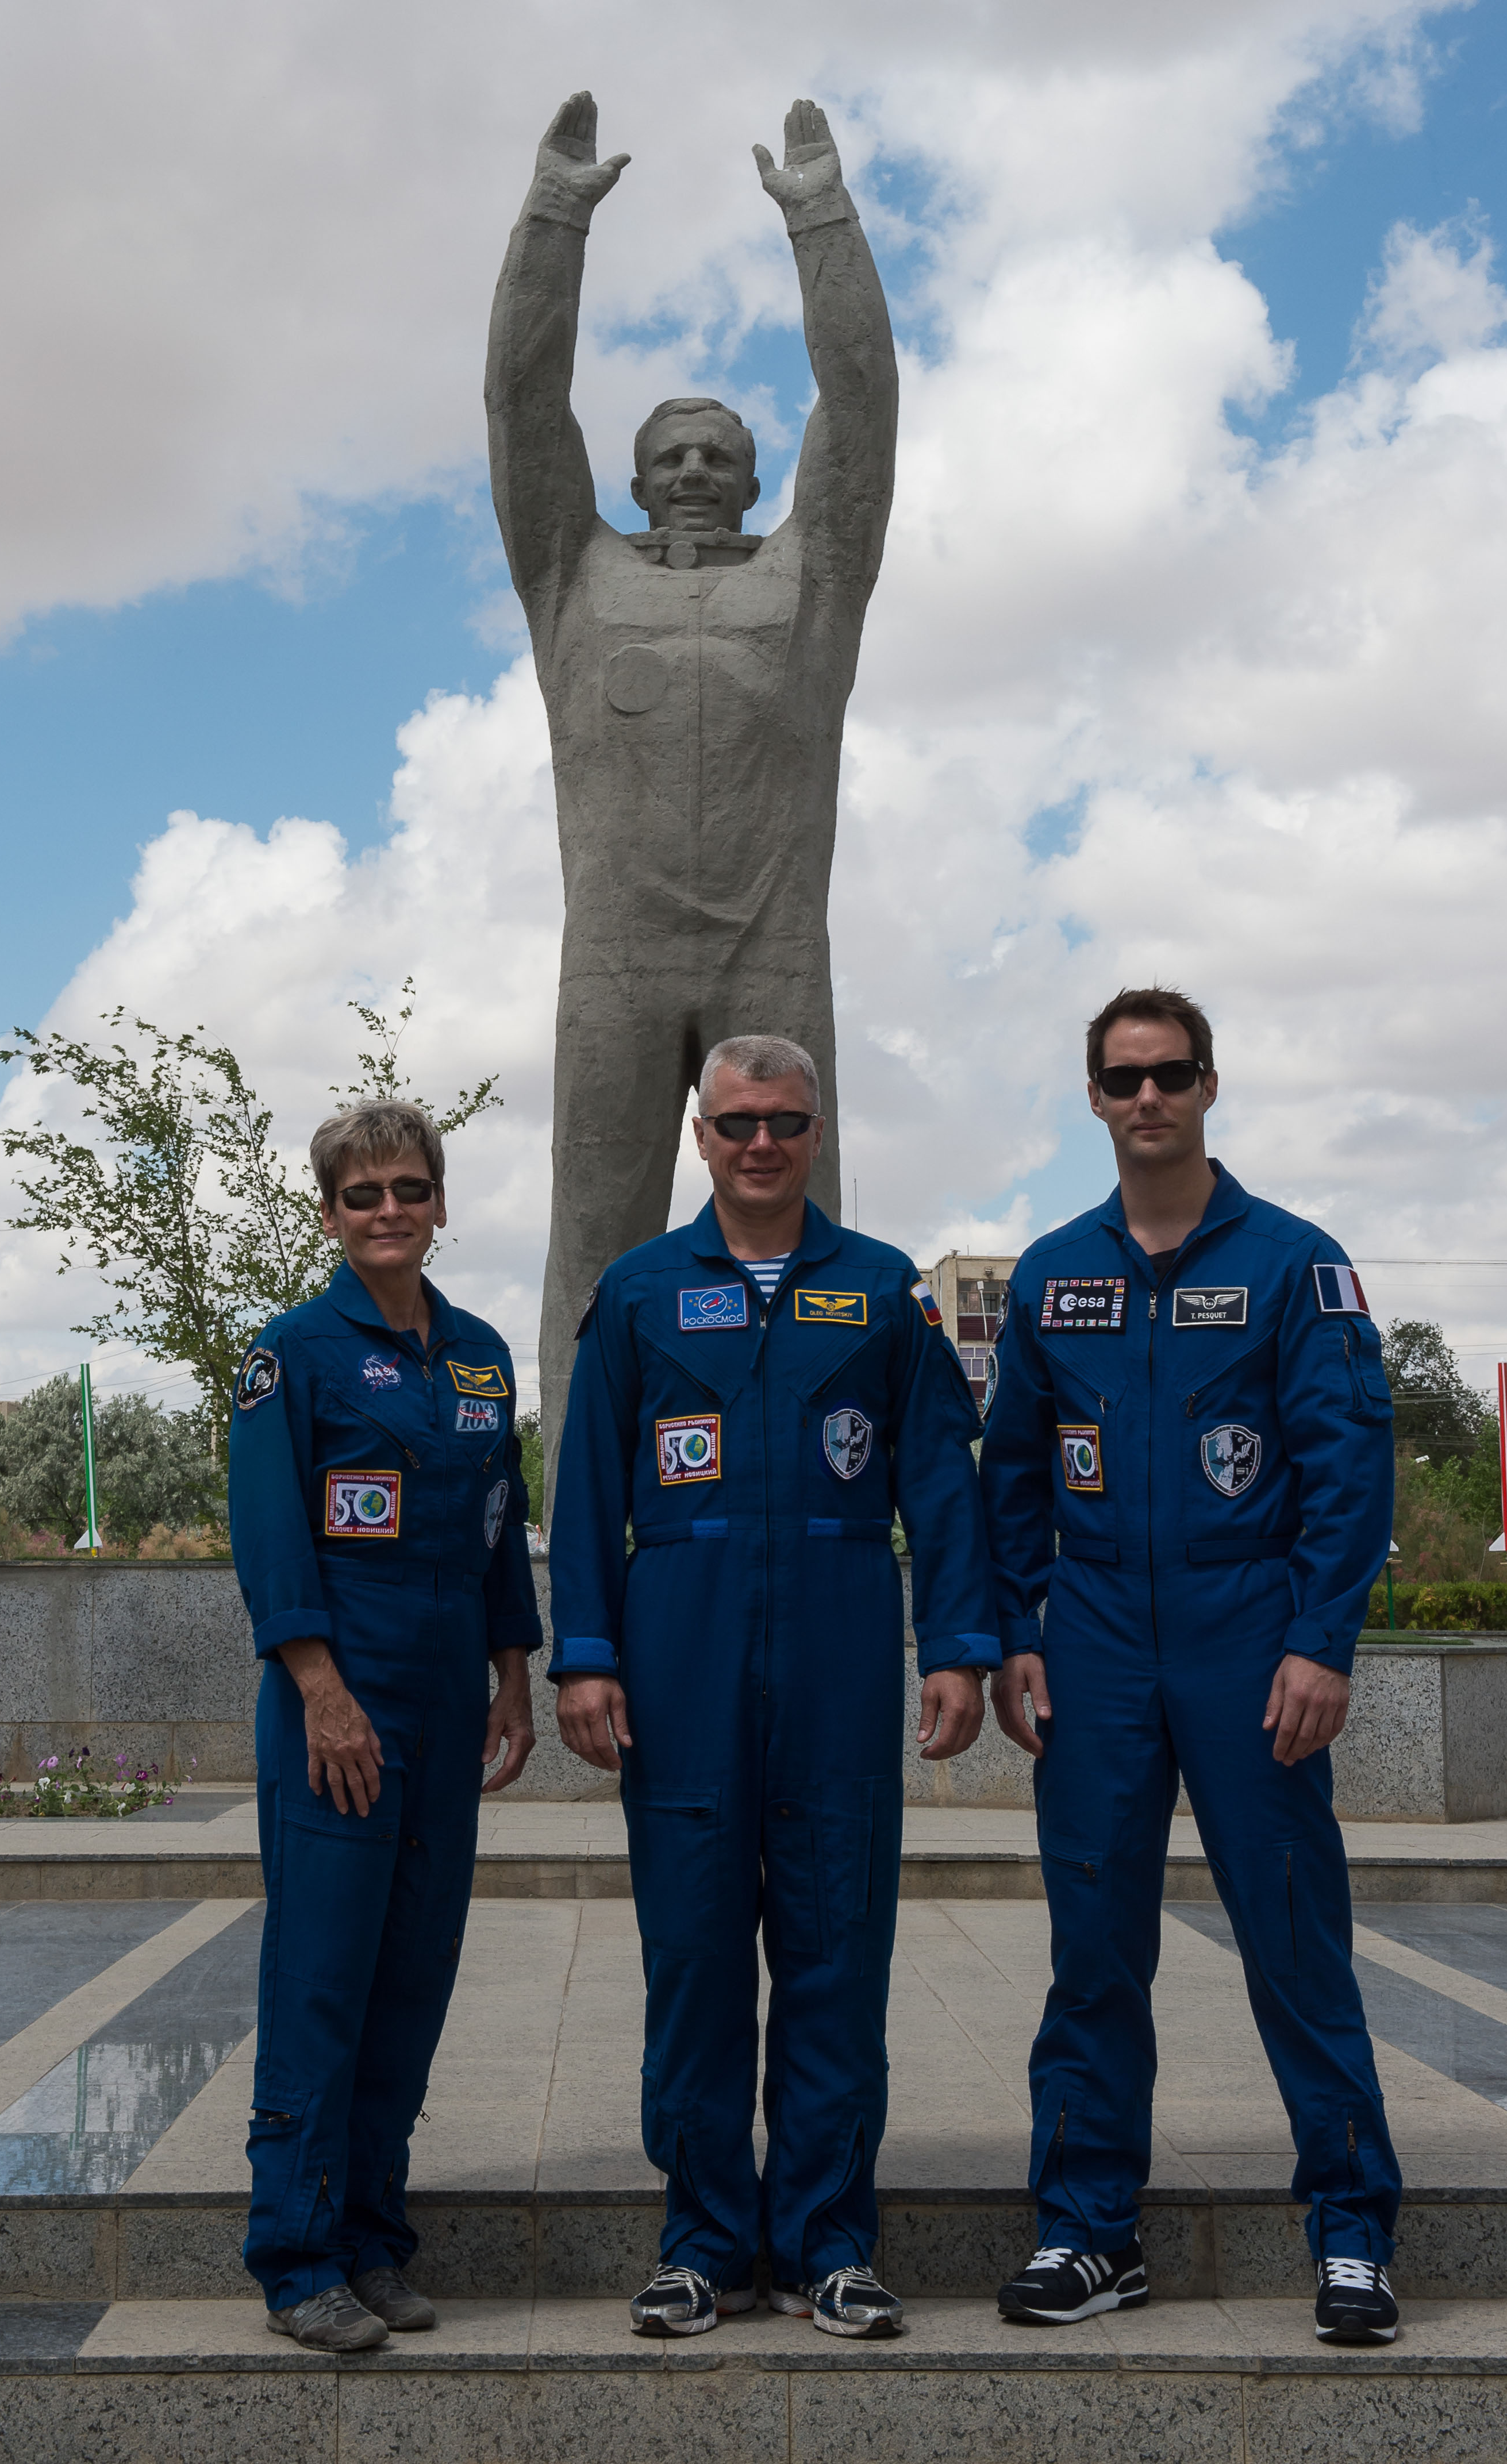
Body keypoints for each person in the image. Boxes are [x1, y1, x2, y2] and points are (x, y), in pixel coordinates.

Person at [548, 1034, 997, 2339]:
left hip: (839, 1654)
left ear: (815, 1132)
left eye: (784, 1121)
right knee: (691, 1960)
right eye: (737, 1120)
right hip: (677, 1656)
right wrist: (584, 1653)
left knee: (834, 1959)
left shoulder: (877, 1292)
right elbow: (581, 1497)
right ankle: (699, 2241)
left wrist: (958, 1642)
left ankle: (825, 2242)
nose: (760, 1143)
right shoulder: (635, 1291)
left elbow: (942, 1488)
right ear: (699, 1133)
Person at [485, 93, 899, 1492]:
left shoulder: (812, 579)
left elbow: (866, 402)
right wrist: (554, 220)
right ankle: (577, 1512)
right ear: (631, 475)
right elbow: (519, 402)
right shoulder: (572, 576)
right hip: (613, 955)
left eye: (718, 451)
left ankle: (821, 1489)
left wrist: (820, 222)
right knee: (594, 1247)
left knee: (806, 1249)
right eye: (668, 453)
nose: (693, 470)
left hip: (771, 947)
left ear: (758, 472)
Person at [981, 988, 1403, 2346]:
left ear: (1208, 1085)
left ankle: (1349, 2236)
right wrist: (1018, 1631)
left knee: (1293, 1943)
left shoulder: (1293, 1261)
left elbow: (1348, 1468)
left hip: (1246, 1639)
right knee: (1093, 1952)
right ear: (1093, 1097)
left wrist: (1314, 1641)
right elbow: (1008, 1474)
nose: (1146, 1097)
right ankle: (1089, 2229)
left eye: (1168, 1074)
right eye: (1121, 1078)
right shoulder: (1051, 1272)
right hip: (1095, 1641)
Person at [228, 1098, 541, 2352]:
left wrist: (511, 1672)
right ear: (329, 1212)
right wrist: (319, 1688)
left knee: (411, 1977)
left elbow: (494, 1526)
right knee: (322, 1977)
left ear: (440, 1203)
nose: (389, 1211)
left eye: (409, 1189)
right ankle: (296, 2253)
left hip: (444, 1695)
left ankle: (372, 2237)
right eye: (363, 1195)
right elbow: (270, 1535)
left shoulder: (477, 1357)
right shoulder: (290, 1351)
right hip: (336, 1703)